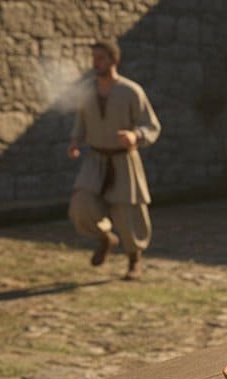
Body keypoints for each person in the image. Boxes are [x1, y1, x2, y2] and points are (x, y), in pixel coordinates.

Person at [67, 40, 160, 280]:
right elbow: (81, 123)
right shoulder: (88, 91)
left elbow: (151, 125)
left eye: (101, 58)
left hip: (123, 160)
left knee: (128, 211)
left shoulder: (131, 91)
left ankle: (134, 260)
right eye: (93, 58)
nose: (95, 63)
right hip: (96, 159)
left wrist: (135, 135)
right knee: (81, 203)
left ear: (113, 60)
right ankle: (105, 238)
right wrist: (76, 141)